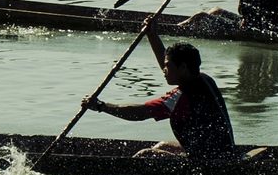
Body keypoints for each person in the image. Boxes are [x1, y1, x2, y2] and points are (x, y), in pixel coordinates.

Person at [83, 27, 235, 158]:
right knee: (162, 146)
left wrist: (101, 106)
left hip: (209, 160)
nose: (164, 69)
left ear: (182, 67)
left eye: (167, 66)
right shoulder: (205, 79)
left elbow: (140, 114)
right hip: (222, 151)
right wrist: (152, 35)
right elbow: (170, 65)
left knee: (145, 155)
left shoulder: (181, 97)